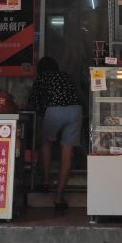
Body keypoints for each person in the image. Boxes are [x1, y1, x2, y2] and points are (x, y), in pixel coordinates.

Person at [27, 56, 82, 212]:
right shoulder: (65, 76)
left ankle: (45, 181)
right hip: (75, 110)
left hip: (55, 110)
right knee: (67, 152)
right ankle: (58, 198)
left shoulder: (42, 77)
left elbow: (33, 101)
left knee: (46, 142)